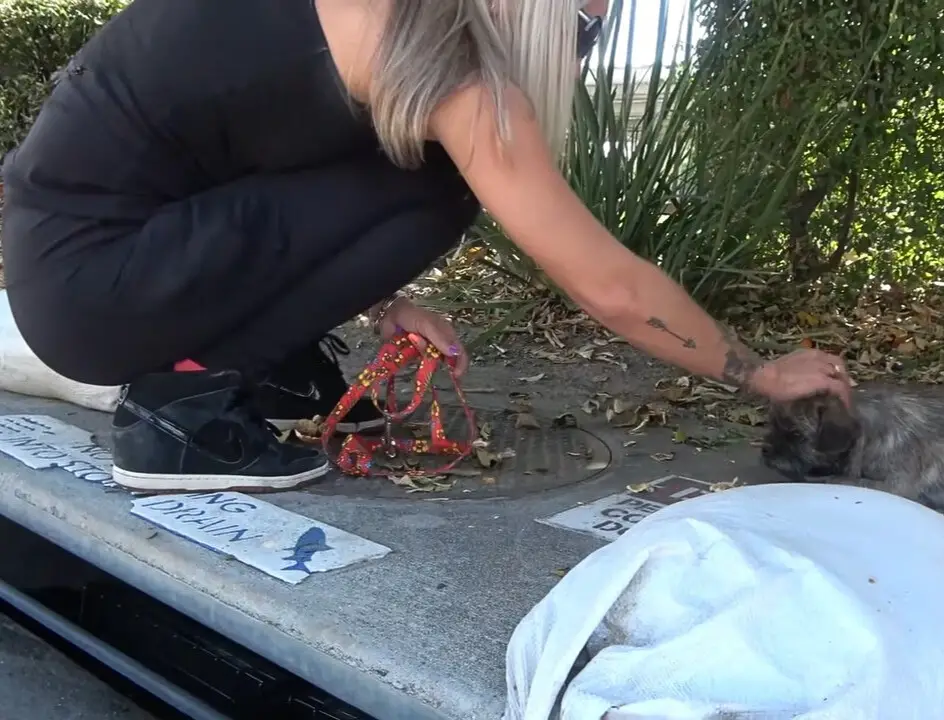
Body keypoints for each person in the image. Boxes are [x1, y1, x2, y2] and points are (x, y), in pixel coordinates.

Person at [0, 0, 852, 494]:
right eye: (583, 26)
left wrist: (375, 295)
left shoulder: (390, 23)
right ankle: (174, 412)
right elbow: (606, 284)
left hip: (84, 261)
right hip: (94, 282)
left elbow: (251, 153)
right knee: (444, 182)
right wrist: (758, 372)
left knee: (425, 171)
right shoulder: (446, 60)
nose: (585, 43)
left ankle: (243, 368)